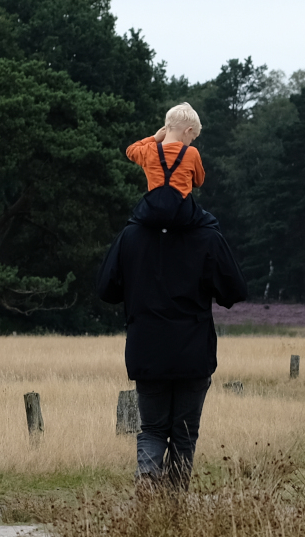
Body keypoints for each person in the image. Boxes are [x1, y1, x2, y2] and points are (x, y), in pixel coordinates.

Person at [97, 192, 247, 487]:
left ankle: (147, 488)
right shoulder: (207, 236)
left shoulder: (131, 235)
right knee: (184, 434)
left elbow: (106, 289)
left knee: (152, 429)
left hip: (147, 350)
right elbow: (234, 291)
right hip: (193, 352)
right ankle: (174, 509)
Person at [125, 102, 206, 201]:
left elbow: (130, 150)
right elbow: (199, 182)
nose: (190, 142)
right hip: (181, 210)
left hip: (154, 209)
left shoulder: (149, 150)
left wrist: (154, 138)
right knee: (208, 217)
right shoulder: (192, 153)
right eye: (192, 139)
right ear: (188, 131)